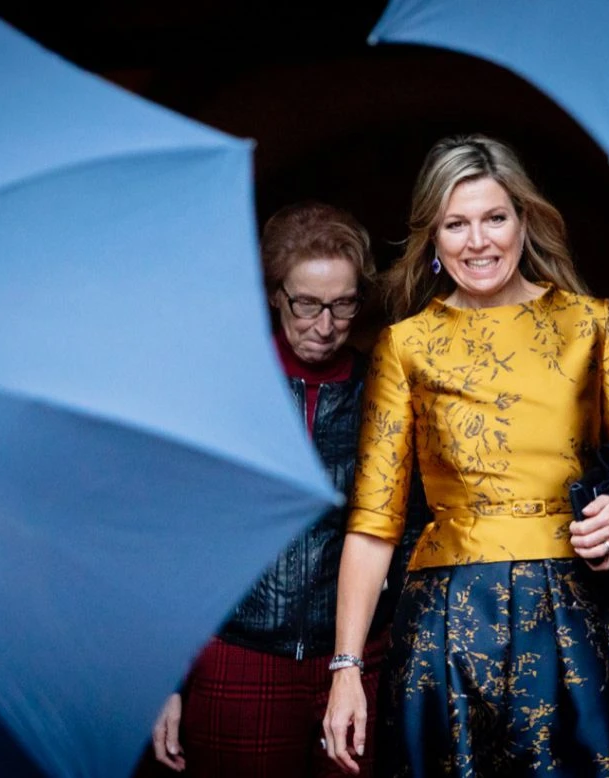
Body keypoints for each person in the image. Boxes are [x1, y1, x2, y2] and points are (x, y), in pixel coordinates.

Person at [320, 134, 609, 777]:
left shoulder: (592, 324)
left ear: (524, 221)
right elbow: (374, 523)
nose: (477, 241)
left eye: (494, 217)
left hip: (576, 616)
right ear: (433, 239)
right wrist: (345, 669)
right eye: (455, 224)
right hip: (448, 628)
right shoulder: (405, 345)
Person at [145, 200, 425, 777]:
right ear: (276, 295)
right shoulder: (225, 389)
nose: (325, 325)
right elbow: (178, 536)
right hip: (236, 657)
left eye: (343, 304)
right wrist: (165, 677)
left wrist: (389, 641)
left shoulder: (385, 391)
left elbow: (411, 526)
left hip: (355, 661)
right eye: (307, 304)